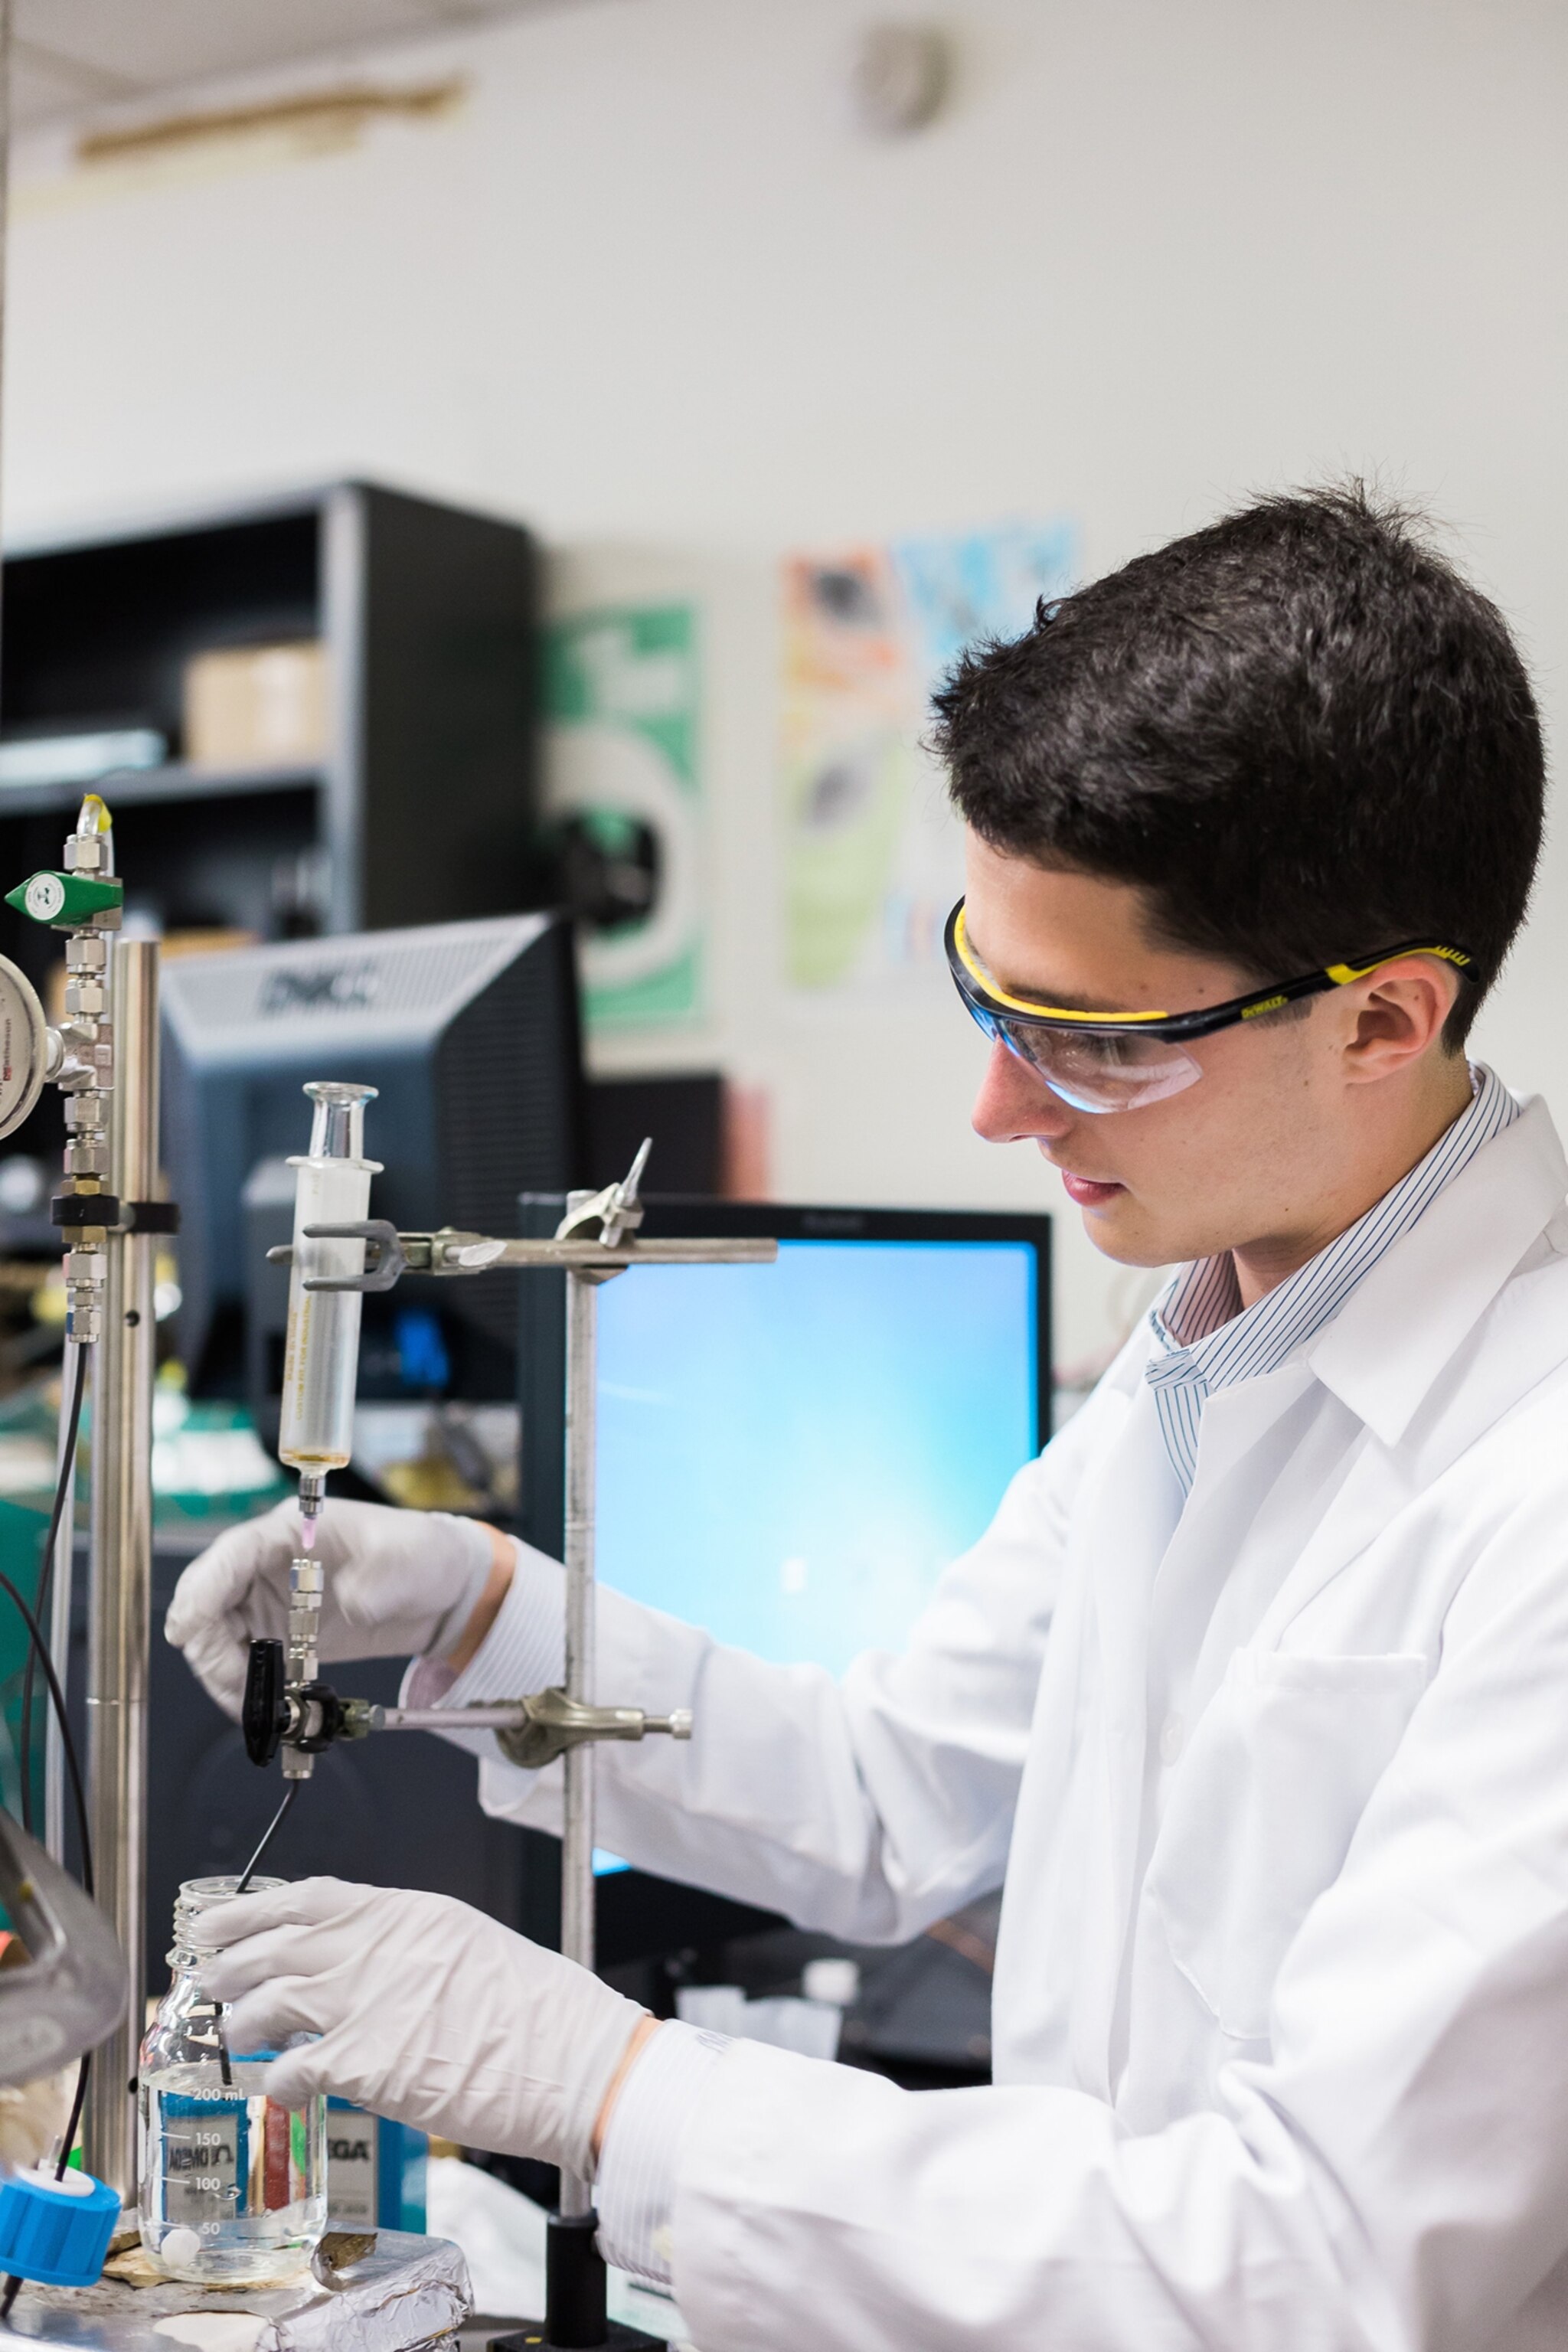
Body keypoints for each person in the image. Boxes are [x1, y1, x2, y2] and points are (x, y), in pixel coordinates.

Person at [167, 485, 1568, 2352]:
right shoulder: (1214, 1338)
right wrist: (489, 1618)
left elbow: (1317, 2264)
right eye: (985, 992)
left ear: (1385, 1022)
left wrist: (608, 2089)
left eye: (1092, 1040)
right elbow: (891, 1791)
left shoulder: (1528, 1484)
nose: (1001, 1111)